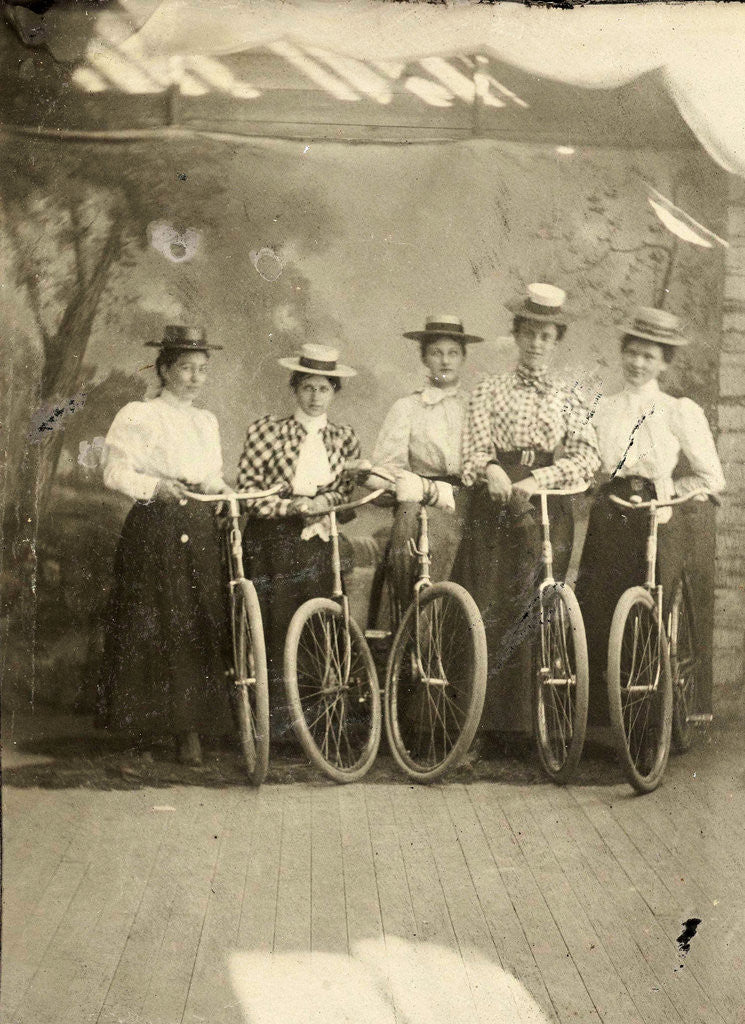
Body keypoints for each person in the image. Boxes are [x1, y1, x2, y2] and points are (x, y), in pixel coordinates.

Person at [452, 283, 600, 737]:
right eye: (530, 334)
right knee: (485, 602)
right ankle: (473, 727)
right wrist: (493, 469)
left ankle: (529, 730)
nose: (537, 344)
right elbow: (473, 451)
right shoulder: (489, 390)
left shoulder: (570, 397)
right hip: (493, 504)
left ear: (556, 341)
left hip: (546, 508)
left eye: (547, 336)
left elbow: (587, 459)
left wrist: (539, 480)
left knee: (534, 605)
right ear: (517, 335)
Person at [575, 306, 726, 723]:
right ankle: (603, 723)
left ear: (664, 362)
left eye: (650, 356)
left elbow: (711, 476)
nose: (638, 363)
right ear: (623, 353)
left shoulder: (678, 410)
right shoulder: (603, 408)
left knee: (649, 611)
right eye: (633, 353)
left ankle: (650, 722)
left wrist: (672, 491)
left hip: (657, 515)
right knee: (600, 604)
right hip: (612, 512)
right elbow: (588, 462)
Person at [98, 325, 233, 767]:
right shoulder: (139, 414)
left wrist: (224, 493)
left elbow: (209, 475)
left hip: (198, 521)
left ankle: (191, 727)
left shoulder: (205, 420)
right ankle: (143, 729)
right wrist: (154, 487)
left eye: (201, 370)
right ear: (164, 370)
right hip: (155, 527)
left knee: (197, 620)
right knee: (153, 621)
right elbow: (115, 473)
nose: (195, 378)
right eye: (185, 368)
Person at [237, 343, 361, 739]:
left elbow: (348, 494)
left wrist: (326, 501)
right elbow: (249, 492)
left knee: (317, 623)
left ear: (334, 393)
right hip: (272, 541)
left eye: (323, 389)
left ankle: (314, 726)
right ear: (295, 388)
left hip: (318, 542)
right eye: (307, 387)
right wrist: (290, 508)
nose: (314, 396)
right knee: (276, 624)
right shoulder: (267, 430)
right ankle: (274, 727)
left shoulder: (344, 439)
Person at [369, 314, 483, 621]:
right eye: (436, 353)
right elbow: (385, 468)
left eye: (453, 353)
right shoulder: (407, 407)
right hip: (422, 501)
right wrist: (409, 487)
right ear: (424, 358)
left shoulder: (476, 406)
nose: (445, 361)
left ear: (462, 358)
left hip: (469, 499)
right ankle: (413, 633)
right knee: (410, 534)